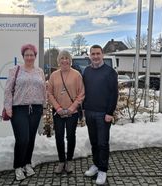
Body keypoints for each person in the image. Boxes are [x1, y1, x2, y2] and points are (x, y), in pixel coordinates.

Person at [3, 44, 46, 181]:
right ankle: (18, 166)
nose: (29, 57)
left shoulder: (39, 72)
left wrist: (44, 106)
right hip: (19, 108)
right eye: (26, 55)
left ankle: (27, 163)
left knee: (31, 139)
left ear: (35, 56)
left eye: (31, 55)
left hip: (36, 108)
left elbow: (43, 90)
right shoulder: (15, 70)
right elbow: (8, 90)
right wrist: (8, 108)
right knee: (23, 139)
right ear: (23, 56)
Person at [83, 45, 118, 185]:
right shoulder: (86, 71)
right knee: (94, 142)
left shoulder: (110, 72)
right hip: (90, 113)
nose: (96, 56)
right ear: (90, 55)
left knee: (103, 143)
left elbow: (114, 94)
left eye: (98, 53)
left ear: (102, 55)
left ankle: (103, 170)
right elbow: (84, 92)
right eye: (93, 54)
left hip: (103, 114)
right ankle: (96, 165)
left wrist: (110, 112)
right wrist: (84, 109)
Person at [47, 50, 85, 174]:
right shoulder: (54, 75)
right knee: (58, 137)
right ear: (58, 60)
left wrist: (72, 108)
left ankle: (69, 161)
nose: (64, 60)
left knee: (70, 136)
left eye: (67, 58)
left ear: (70, 60)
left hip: (72, 113)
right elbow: (49, 93)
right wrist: (57, 108)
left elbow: (81, 93)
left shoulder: (77, 74)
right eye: (62, 58)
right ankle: (61, 161)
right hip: (57, 112)